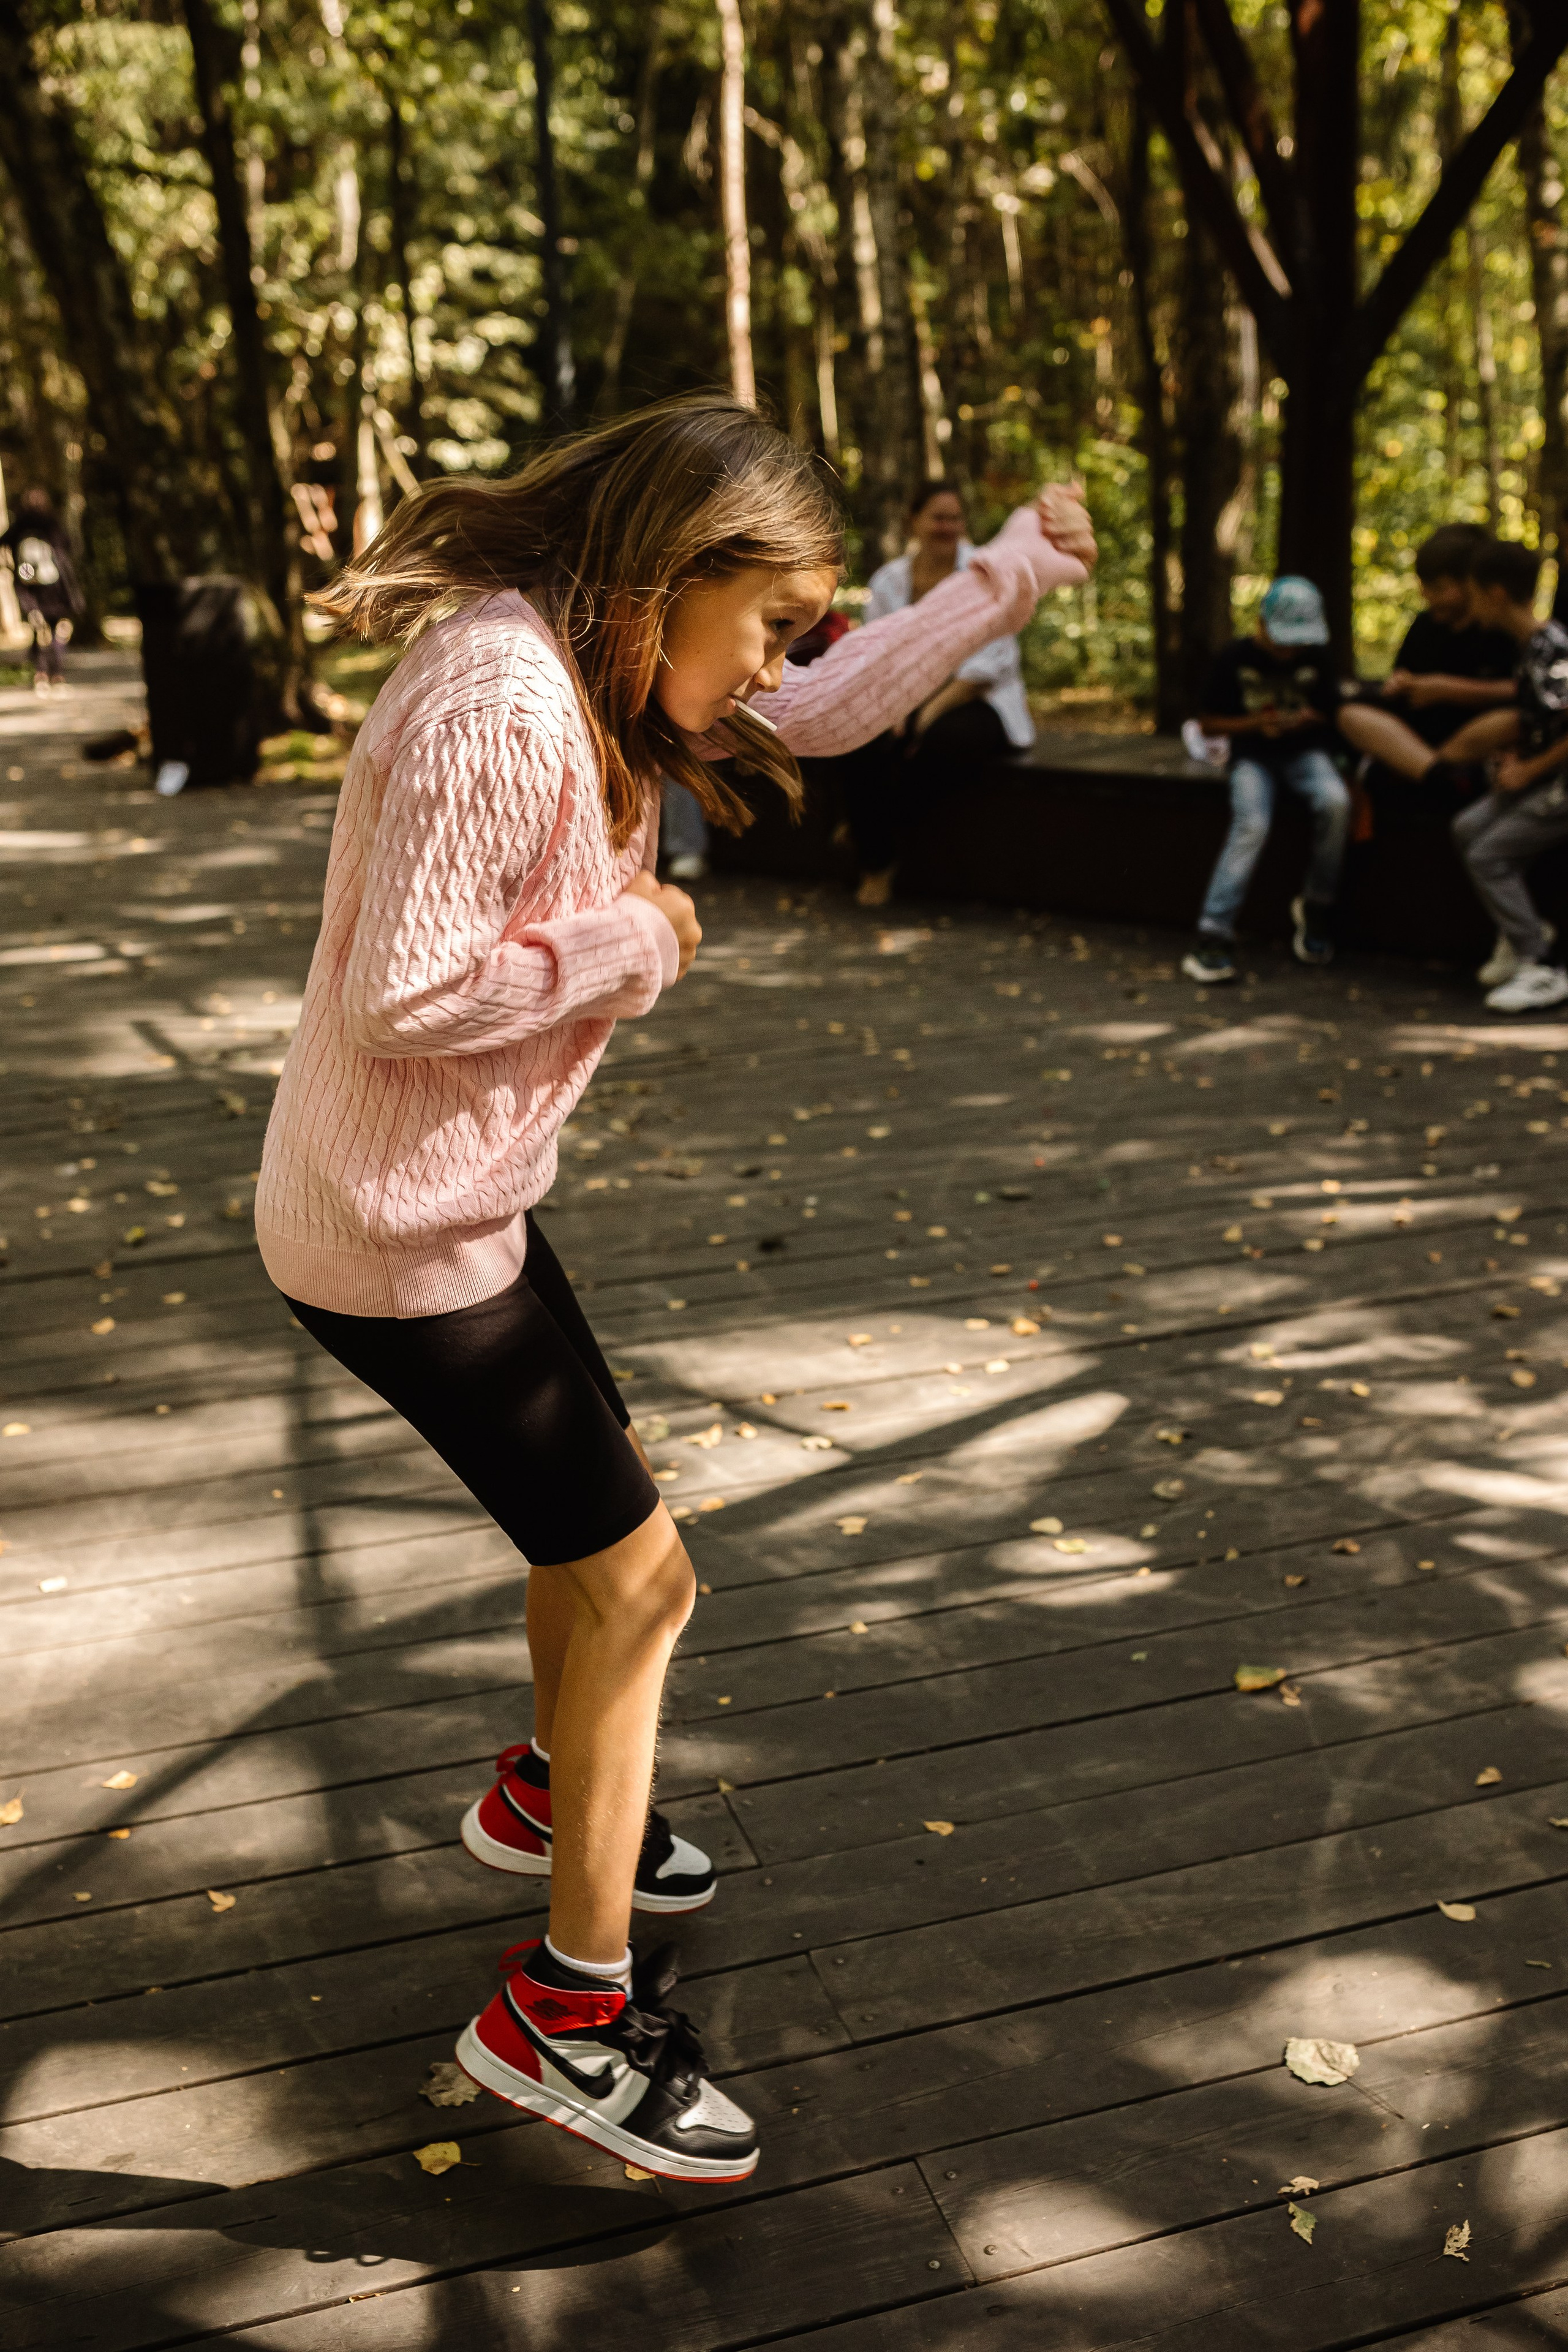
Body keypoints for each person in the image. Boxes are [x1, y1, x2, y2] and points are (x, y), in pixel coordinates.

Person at [252, 393, 1092, 2185]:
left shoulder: (612, 662)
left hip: (452, 1199)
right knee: (646, 1583)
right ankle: (561, 2008)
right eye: (767, 617)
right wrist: (632, 940)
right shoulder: (501, 695)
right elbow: (409, 992)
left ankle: (551, 1799)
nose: (778, 660)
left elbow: (827, 701)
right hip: (392, 1229)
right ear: (670, 575)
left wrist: (1009, 574)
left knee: (596, 1508)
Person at [829, 480, 1042, 908]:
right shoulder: (891, 580)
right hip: (903, 693)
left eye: (955, 518)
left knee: (943, 742)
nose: (948, 527)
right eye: (938, 518)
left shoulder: (988, 574)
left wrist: (924, 714)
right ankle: (877, 859)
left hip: (977, 700)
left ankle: (871, 831)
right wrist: (895, 708)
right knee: (859, 739)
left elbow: (988, 665)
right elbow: (880, 651)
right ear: (914, 521)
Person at [1180, 576, 1350, 984]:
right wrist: (1258, 724)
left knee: (1336, 802)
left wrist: (1310, 720)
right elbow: (1207, 723)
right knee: (1252, 823)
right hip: (1253, 758)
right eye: (1282, 641)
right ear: (1262, 625)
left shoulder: (1319, 658)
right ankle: (1213, 932)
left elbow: (1338, 713)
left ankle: (1316, 907)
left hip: (1307, 754)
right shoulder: (1234, 658)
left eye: (1297, 642)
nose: (1290, 651)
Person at [1451, 539, 1568, 1013]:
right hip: (1543, 773)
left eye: (1473, 592)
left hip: (1559, 783)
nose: (1470, 603)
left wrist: (1529, 772)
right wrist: (1514, 756)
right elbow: (1546, 720)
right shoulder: (1530, 648)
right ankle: (1520, 931)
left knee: (1488, 855)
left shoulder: (1553, 647)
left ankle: (1539, 965)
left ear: (1495, 593)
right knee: (1468, 827)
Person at [1335, 524, 1516, 802]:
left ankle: (1415, 773)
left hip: (1472, 738)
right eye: (1425, 587)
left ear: (1471, 583)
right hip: (1419, 738)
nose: (1428, 597)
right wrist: (1400, 685)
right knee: (1351, 715)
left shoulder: (1500, 631)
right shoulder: (1424, 625)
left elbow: (1522, 690)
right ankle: (1440, 778)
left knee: (1510, 722)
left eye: (1439, 588)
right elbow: (1403, 676)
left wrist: (1447, 689)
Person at [2, 486, 82, 695]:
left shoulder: (19, 525)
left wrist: (10, 566)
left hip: (29, 589)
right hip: (54, 589)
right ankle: (57, 675)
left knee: (41, 633)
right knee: (58, 632)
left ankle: (42, 676)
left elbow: (3, 543)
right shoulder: (50, 522)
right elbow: (66, 547)